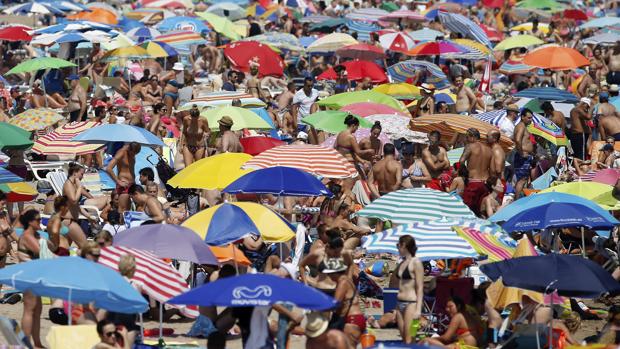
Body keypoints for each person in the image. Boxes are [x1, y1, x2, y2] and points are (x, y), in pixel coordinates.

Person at [18, 209, 54, 348]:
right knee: (29, 309)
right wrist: (46, 240)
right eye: (38, 220)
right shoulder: (27, 236)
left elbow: (52, 248)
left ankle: (37, 343)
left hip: (35, 275)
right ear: (30, 222)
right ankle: (26, 343)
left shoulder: (37, 235)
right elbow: (42, 251)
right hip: (28, 276)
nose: (40, 222)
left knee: (37, 310)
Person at [322, 258, 364, 347]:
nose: (328, 277)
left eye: (329, 274)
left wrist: (319, 306)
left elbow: (335, 304)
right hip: (355, 319)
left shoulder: (343, 283)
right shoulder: (347, 280)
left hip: (352, 320)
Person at [395, 235, 424, 344]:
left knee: (410, 339)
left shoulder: (416, 262)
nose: (397, 248)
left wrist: (418, 309)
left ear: (405, 245)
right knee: (403, 339)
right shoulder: (402, 263)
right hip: (399, 303)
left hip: (411, 303)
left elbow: (420, 287)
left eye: (398, 245)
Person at [459, 128, 492, 216]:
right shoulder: (489, 149)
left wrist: (464, 172)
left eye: (467, 137)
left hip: (473, 182)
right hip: (485, 183)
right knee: (480, 212)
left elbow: (461, 161)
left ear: (473, 137)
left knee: (467, 211)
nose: (466, 140)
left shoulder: (470, 146)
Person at [105, 142, 141, 214]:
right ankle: (120, 224)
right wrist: (118, 182)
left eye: (136, 154)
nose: (134, 155)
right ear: (129, 149)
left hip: (132, 185)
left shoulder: (133, 152)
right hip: (124, 184)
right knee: (122, 210)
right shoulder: (121, 152)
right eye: (133, 153)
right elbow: (108, 168)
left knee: (130, 210)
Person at [513, 109, 535, 198]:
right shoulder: (521, 126)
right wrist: (521, 152)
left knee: (523, 179)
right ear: (522, 117)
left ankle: (518, 198)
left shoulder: (522, 126)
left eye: (531, 118)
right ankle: (517, 201)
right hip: (522, 156)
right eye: (529, 118)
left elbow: (514, 138)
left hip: (525, 155)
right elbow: (517, 139)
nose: (530, 120)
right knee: (521, 180)